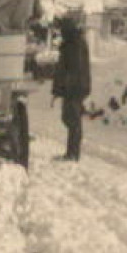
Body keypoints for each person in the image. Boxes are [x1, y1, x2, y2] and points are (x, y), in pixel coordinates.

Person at [52, 12, 91, 161]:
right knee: (70, 119)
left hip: (74, 88)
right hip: (75, 87)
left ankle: (73, 154)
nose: (60, 32)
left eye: (61, 29)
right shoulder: (73, 42)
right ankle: (72, 152)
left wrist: (65, 87)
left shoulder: (74, 43)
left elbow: (73, 68)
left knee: (72, 120)